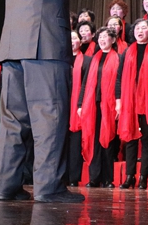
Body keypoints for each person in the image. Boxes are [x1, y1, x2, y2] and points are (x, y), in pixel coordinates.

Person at [0, 0, 122, 203]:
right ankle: (48, 187)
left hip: (12, 47)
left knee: (13, 121)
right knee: (49, 116)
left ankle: (6, 186)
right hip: (45, 47)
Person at [117, 19, 148, 190]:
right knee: (130, 138)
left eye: (144, 28)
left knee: (147, 140)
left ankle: (143, 177)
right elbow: (119, 77)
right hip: (130, 101)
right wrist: (119, 100)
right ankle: (129, 176)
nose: (140, 31)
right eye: (137, 28)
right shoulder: (127, 52)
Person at [78, 27, 121, 189]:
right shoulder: (93, 59)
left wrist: (118, 103)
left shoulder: (118, 58)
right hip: (92, 105)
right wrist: (80, 104)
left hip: (109, 106)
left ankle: (108, 179)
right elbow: (85, 84)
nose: (102, 40)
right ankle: (94, 178)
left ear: (113, 40)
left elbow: (119, 83)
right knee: (94, 140)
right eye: (100, 37)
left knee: (108, 140)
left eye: (105, 37)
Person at [67, 31, 88, 186]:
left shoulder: (86, 61)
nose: (72, 41)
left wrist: (80, 104)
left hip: (78, 105)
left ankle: (73, 177)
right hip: (62, 105)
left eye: (75, 38)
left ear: (80, 42)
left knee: (75, 142)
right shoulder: (61, 60)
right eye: (69, 39)